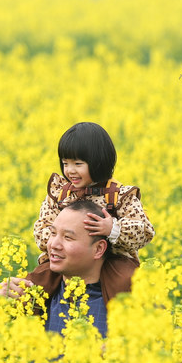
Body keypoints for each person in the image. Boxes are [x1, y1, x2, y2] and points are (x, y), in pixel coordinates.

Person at [29, 122, 154, 306]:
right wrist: (62, 240)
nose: (70, 170)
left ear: (99, 162)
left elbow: (145, 231)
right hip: (66, 259)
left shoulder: (119, 195)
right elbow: (41, 229)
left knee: (127, 283)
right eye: (65, 163)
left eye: (78, 164)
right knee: (36, 284)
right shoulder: (59, 194)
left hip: (112, 261)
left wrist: (113, 228)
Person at [0, 200, 112, 338]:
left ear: (98, 249)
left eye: (68, 237)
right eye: (53, 233)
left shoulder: (121, 308)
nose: (54, 244)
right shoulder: (34, 295)